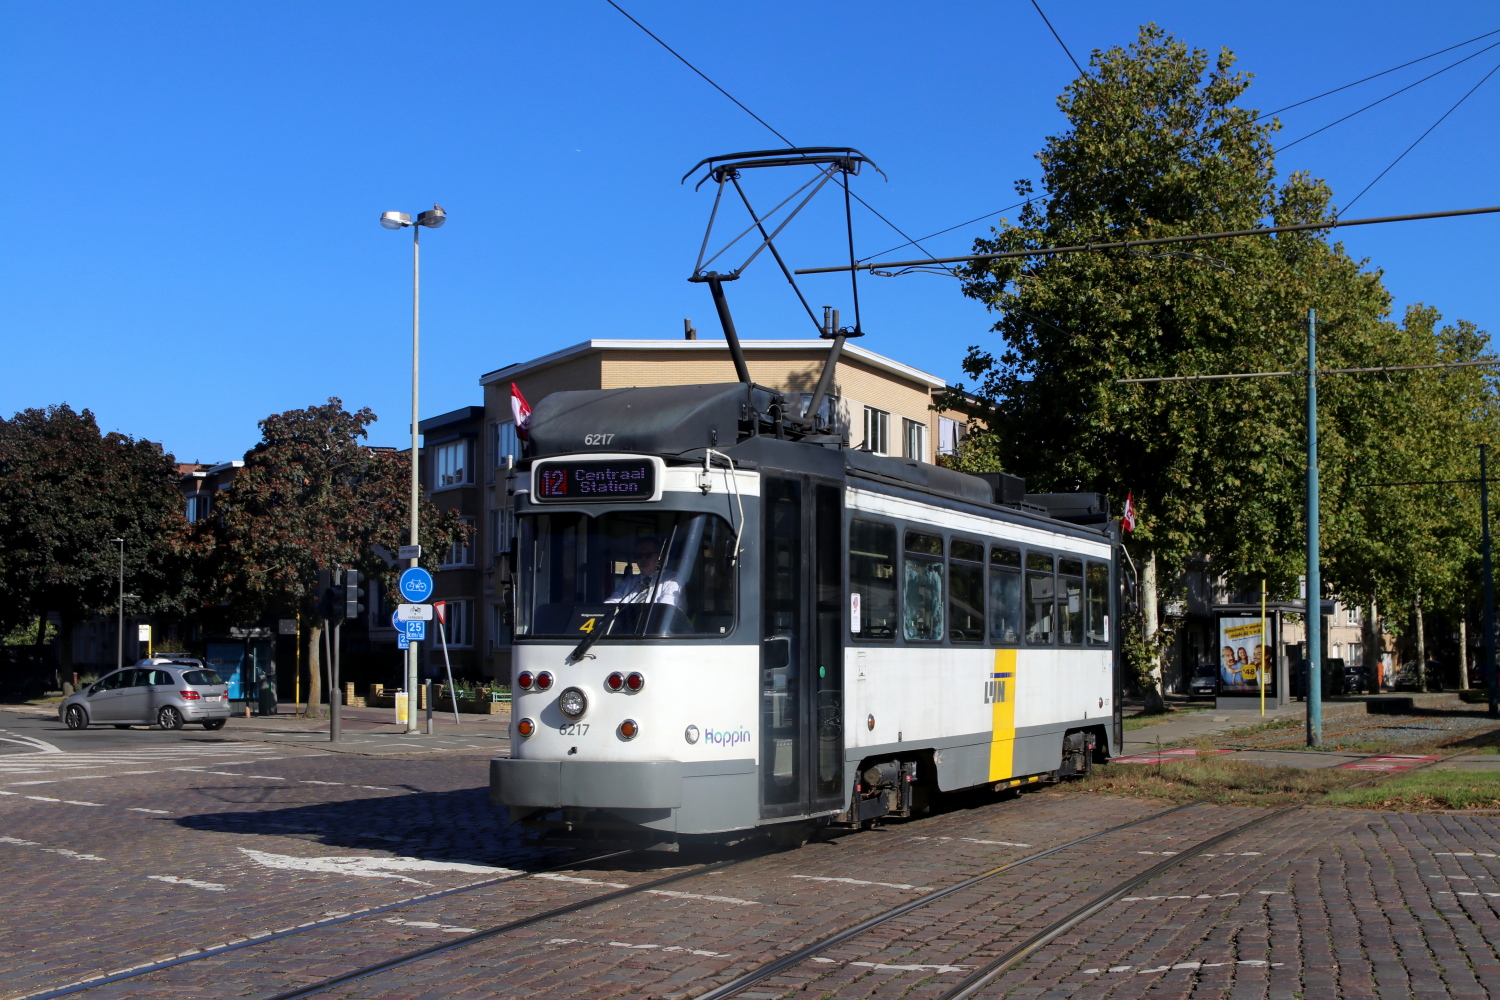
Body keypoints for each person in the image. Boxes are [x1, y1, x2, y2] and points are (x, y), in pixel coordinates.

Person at [607, 537, 683, 609]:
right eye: (639, 556)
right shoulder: (628, 582)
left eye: (648, 555)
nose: (643, 559)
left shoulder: (672, 579)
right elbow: (611, 605)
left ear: (660, 557)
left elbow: (664, 610)